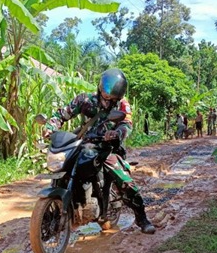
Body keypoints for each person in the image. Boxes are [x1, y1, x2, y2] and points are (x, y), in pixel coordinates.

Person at [43, 68, 156, 234]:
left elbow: (126, 124)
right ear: (100, 87)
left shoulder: (122, 105)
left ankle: (142, 218)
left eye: (113, 97)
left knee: (125, 181)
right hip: (83, 144)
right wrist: (50, 126)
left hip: (108, 147)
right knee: (63, 167)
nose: (108, 99)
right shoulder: (84, 100)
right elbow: (63, 114)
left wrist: (117, 133)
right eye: (105, 94)